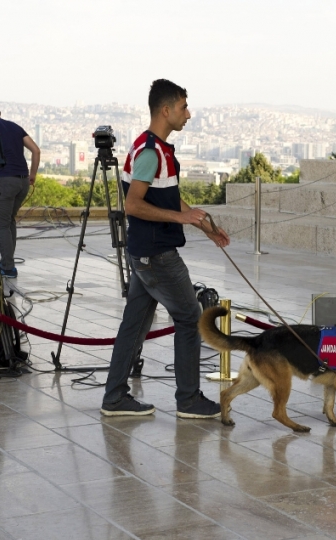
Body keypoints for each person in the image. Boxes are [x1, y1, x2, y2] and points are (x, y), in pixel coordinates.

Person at [101, 79, 230, 418]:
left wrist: (204, 225)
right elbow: (133, 205)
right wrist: (181, 217)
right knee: (190, 317)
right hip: (156, 253)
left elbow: (168, 197)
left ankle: (114, 397)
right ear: (166, 110)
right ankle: (189, 399)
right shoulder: (149, 152)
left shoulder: (154, 148)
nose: (189, 114)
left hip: (145, 251)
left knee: (134, 324)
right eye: (184, 107)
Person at [0, 100, 40, 278]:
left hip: (5, 180)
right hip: (23, 182)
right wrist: (32, 175)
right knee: (9, 221)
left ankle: (7, 267)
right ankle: (8, 261)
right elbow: (36, 151)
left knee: (1, 225)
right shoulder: (15, 127)